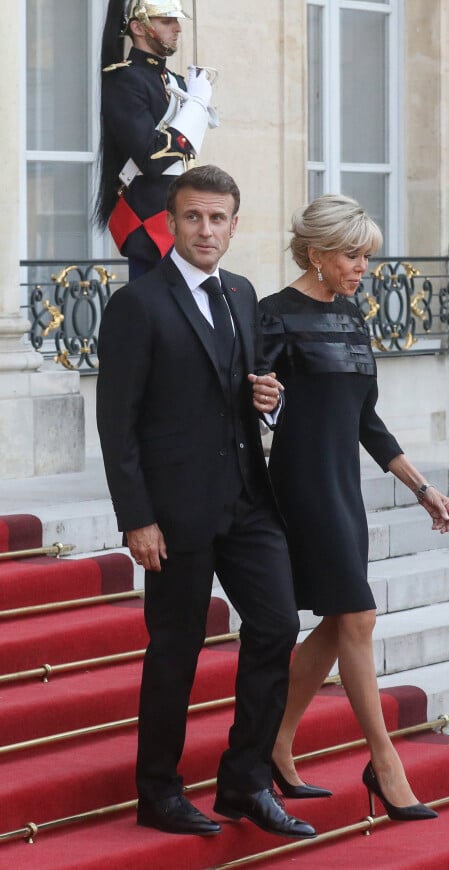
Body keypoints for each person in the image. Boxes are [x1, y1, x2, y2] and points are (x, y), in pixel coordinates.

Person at [96, 164, 316, 841]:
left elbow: (244, 387)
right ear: (171, 221)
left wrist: (266, 400)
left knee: (277, 625)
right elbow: (117, 421)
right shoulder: (139, 303)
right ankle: (157, 791)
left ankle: (245, 779)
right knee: (177, 651)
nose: (206, 229)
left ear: (233, 224)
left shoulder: (243, 293)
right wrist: (136, 517)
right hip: (175, 512)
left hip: (247, 502)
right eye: (193, 217)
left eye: (218, 218)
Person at [258, 193, 449, 821]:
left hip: (343, 484)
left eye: (366, 256)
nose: (362, 267)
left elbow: (365, 419)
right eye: (352, 255)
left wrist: (421, 487)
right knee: (358, 616)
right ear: (315, 253)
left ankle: (275, 745)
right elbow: (247, 403)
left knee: (347, 620)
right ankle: (385, 762)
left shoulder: (351, 318)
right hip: (299, 483)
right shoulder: (271, 316)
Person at [95, 0, 218, 280]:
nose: (177, 28)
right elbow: (150, 159)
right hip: (150, 219)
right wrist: (197, 103)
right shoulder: (125, 79)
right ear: (139, 27)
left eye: (176, 21)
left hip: (184, 209)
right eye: (166, 21)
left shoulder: (176, 81)